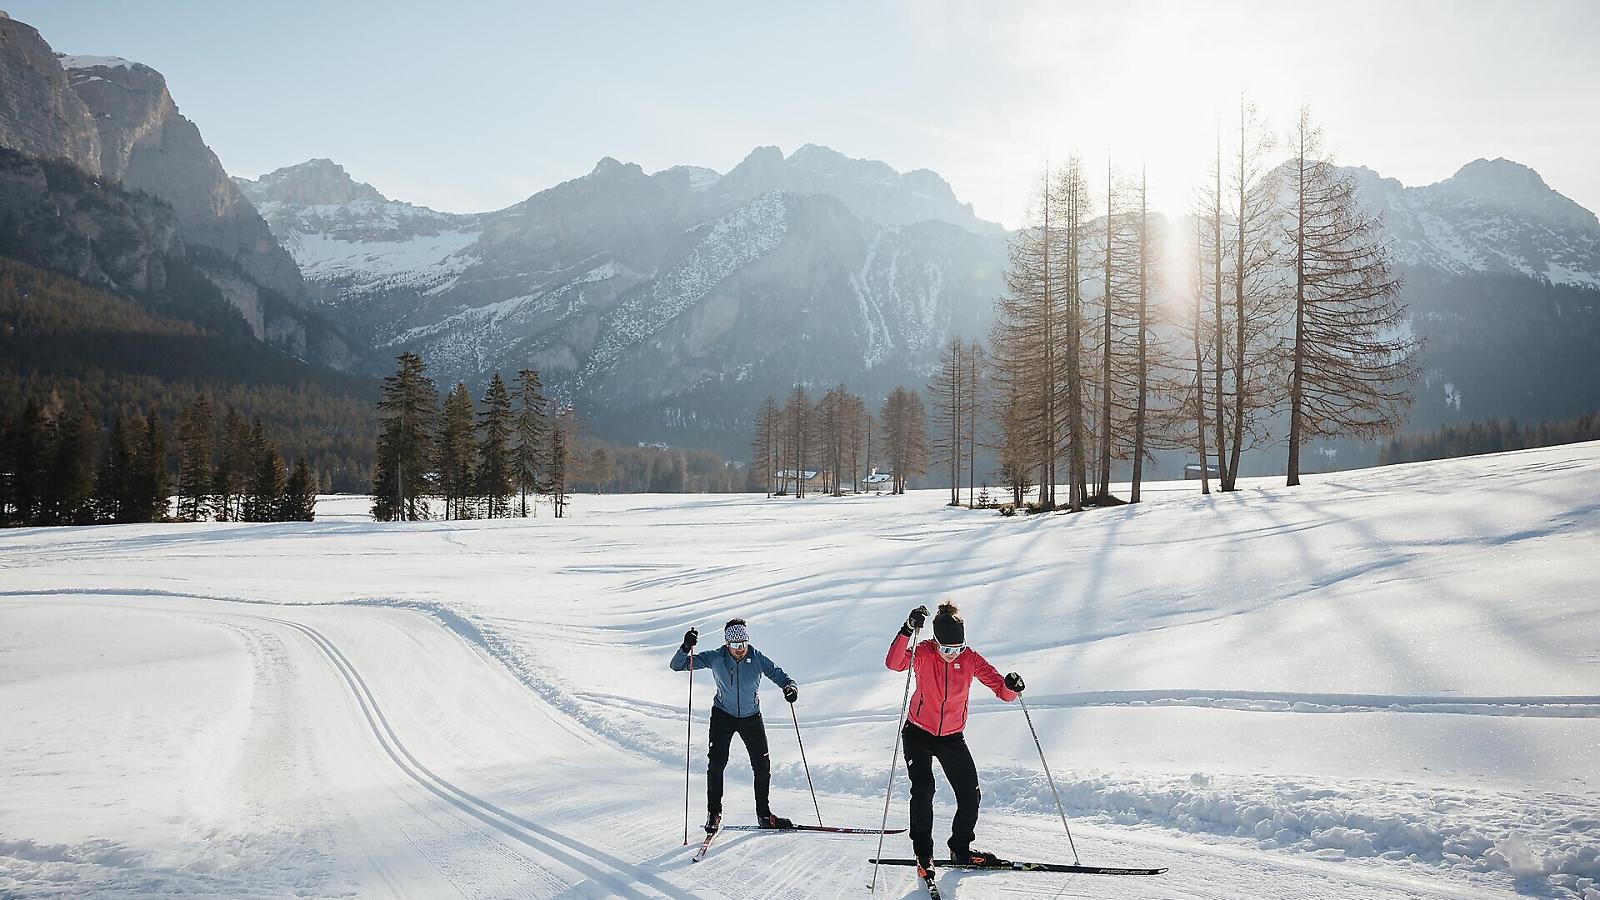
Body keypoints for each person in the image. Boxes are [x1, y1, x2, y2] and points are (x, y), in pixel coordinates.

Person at [885, 600, 1025, 877]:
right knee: (923, 789)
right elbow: (894, 663)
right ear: (936, 642)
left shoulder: (970, 658)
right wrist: (907, 629)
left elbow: (1002, 690)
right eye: (947, 649)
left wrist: (1012, 687)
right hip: (918, 732)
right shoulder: (924, 652)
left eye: (958, 648)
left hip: (951, 737)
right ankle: (923, 855)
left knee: (970, 795)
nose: (952, 655)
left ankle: (961, 849)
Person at [671, 617, 799, 832]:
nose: (740, 649)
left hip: (751, 717)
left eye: (744, 643)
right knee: (716, 764)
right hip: (723, 715)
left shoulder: (757, 658)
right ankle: (714, 813)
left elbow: (782, 677)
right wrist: (686, 647)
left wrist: (790, 688)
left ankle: (764, 815)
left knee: (762, 766)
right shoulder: (715, 657)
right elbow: (677, 665)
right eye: (735, 644)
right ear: (727, 643)